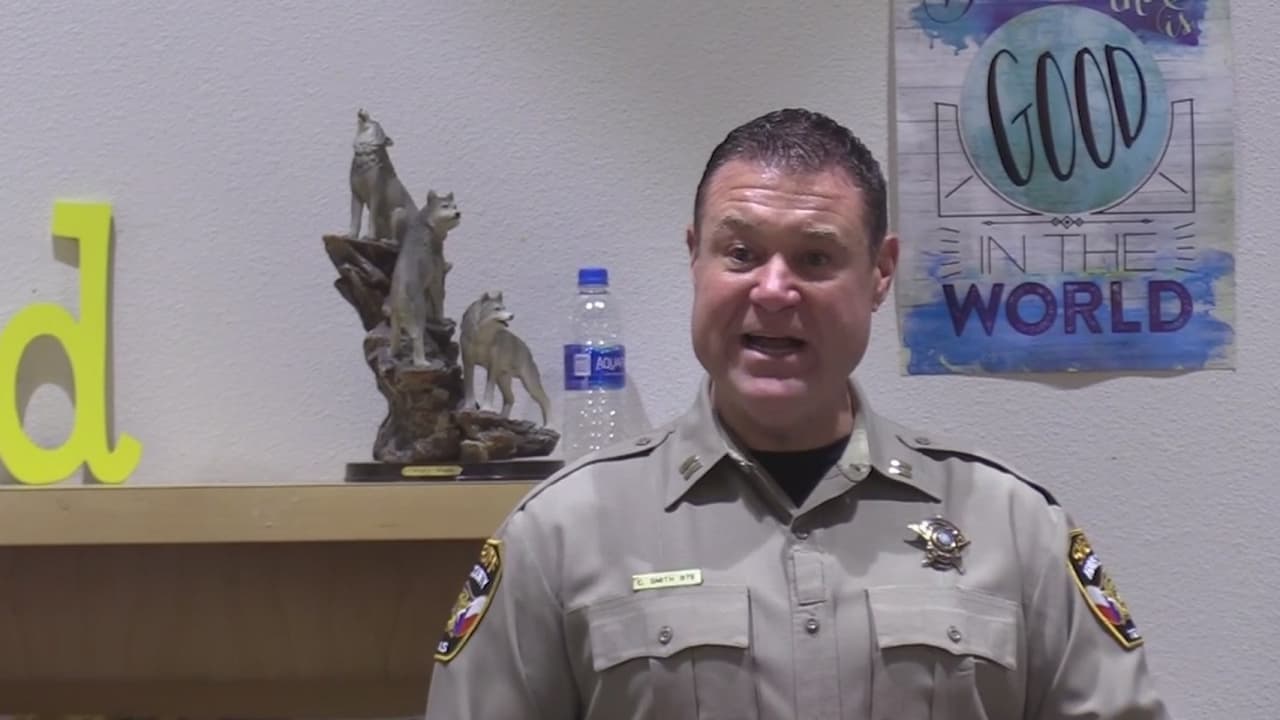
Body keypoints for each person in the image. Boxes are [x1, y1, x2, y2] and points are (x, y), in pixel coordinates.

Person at [423, 108, 1170, 719]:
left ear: (880, 273)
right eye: (740, 253)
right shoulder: (561, 534)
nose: (774, 290)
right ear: (695, 258)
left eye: (815, 259)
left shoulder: (1013, 526)